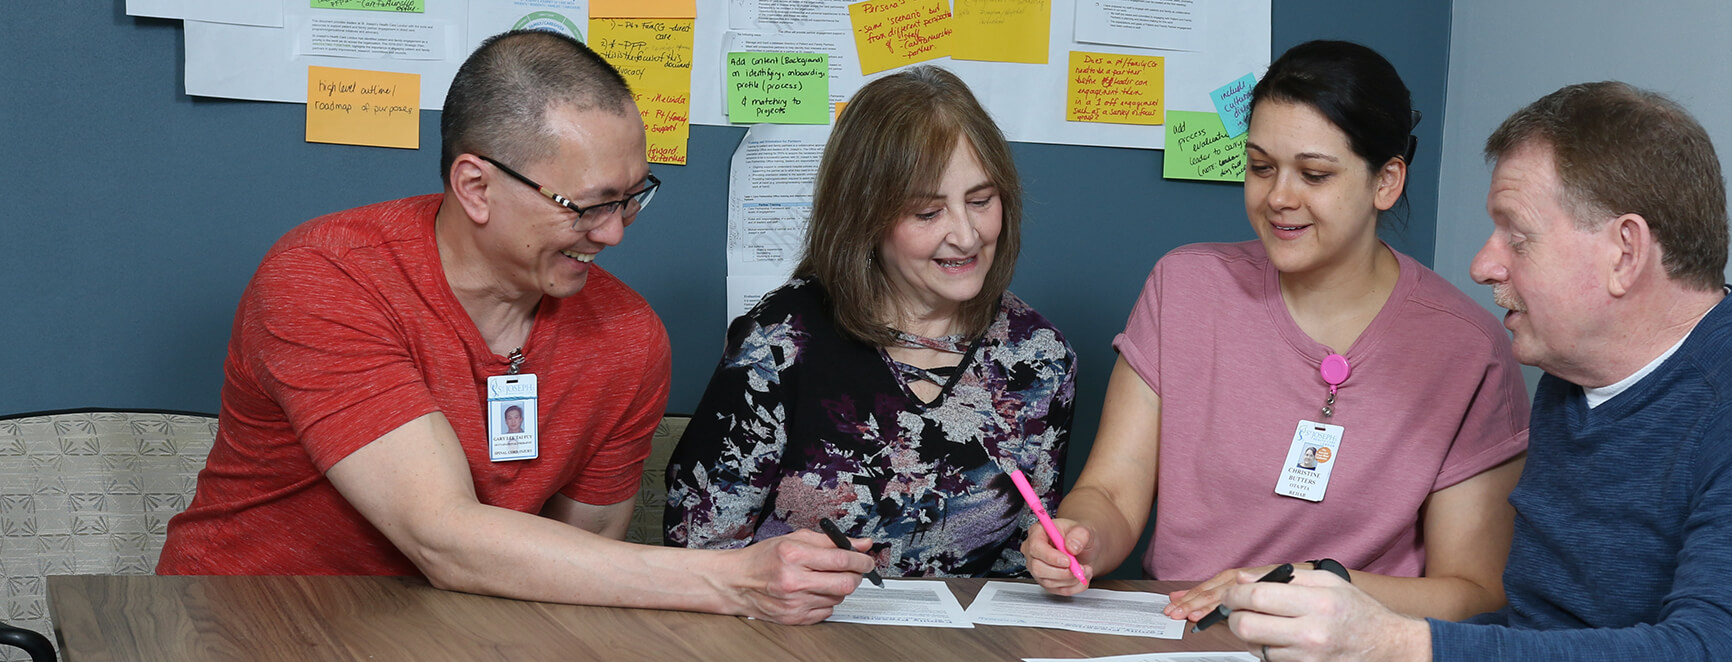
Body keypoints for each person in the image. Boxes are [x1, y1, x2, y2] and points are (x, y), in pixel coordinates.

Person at [1220, 81, 1732, 662]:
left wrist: (1404, 655)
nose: (1482, 264)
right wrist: (1353, 627)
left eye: (1515, 235)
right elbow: (1549, 637)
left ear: (1624, 252)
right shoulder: (1573, 386)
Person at [157, 30, 873, 625]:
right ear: (476, 187)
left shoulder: (628, 336)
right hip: (243, 625)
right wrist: (731, 581)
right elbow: (445, 537)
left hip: (457, 640)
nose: (615, 234)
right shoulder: (325, 276)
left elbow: (580, 564)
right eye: (587, 205)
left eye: (632, 199)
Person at [1023, 39, 1529, 623]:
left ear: (1386, 182)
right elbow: (1111, 493)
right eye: (1261, 167)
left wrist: (1305, 586)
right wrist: (1079, 539)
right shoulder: (1185, 285)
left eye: (1313, 174)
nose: (1278, 198)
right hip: (1176, 643)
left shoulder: (1469, 349)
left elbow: (1472, 590)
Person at [664, 65, 1076, 577]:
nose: (967, 236)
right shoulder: (780, 341)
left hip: (965, 648)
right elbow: (700, 550)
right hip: (788, 639)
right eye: (928, 213)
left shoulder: (1038, 358)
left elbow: (1024, 557)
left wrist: (1053, 567)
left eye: (980, 201)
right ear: (864, 217)